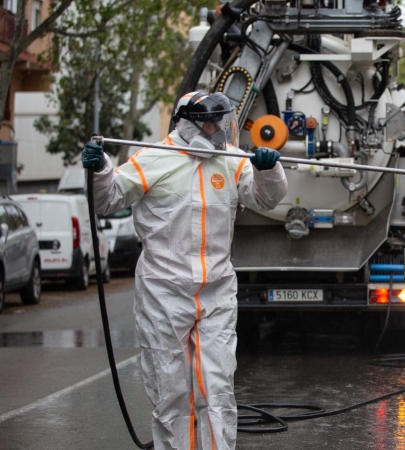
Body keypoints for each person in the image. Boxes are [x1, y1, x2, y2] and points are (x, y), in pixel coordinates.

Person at [82, 91, 287, 450]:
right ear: (188, 123)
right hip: (163, 292)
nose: (217, 130)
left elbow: (265, 199)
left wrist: (268, 170)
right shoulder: (153, 160)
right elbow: (108, 198)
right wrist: (99, 170)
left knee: (218, 384)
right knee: (169, 387)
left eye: (221, 122)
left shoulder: (231, 160)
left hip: (216, 291)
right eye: (210, 122)